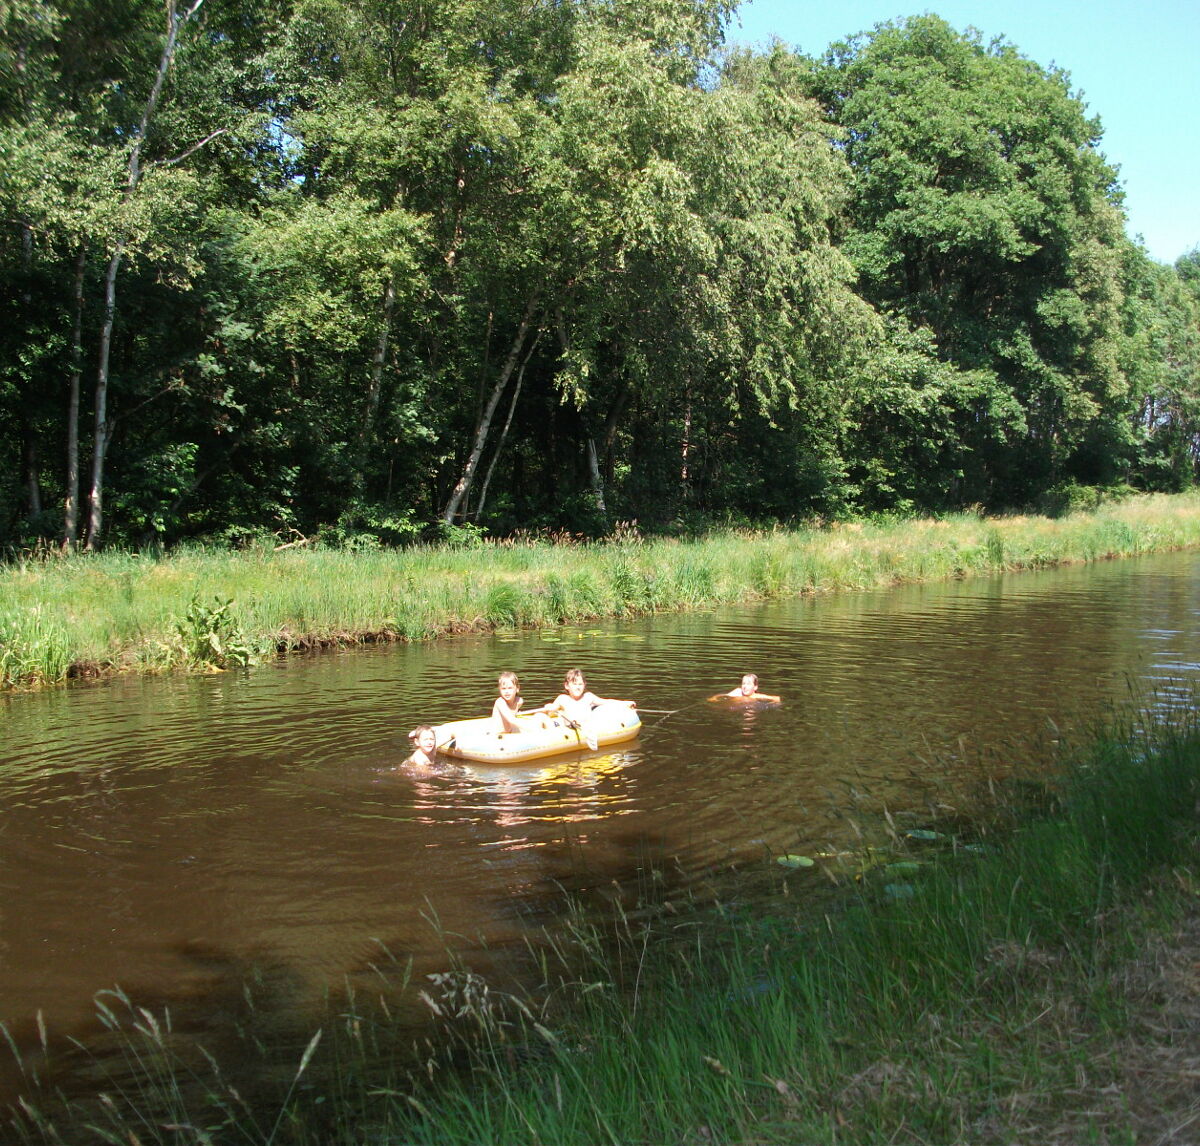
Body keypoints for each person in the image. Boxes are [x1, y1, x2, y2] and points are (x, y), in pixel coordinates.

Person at [544, 668, 637, 725]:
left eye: (580, 684)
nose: (578, 687)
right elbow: (551, 710)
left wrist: (625, 703)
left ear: (584, 685)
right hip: (569, 728)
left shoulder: (588, 697)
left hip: (586, 726)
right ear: (567, 686)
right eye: (574, 684)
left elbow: (607, 702)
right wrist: (550, 708)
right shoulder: (562, 699)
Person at [710, 673, 781, 703]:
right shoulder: (738, 692)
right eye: (743, 683)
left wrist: (772, 703)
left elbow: (777, 698)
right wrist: (714, 698)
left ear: (755, 687)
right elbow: (724, 695)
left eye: (748, 684)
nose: (745, 686)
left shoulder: (757, 696)